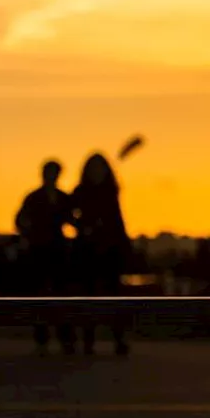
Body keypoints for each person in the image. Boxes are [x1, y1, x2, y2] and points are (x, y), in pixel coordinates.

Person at [70, 152, 132, 356]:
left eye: (100, 168)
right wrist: (83, 227)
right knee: (88, 296)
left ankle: (119, 339)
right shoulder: (80, 192)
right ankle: (88, 341)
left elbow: (117, 219)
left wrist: (124, 245)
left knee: (115, 297)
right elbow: (67, 213)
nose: (97, 172)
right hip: (88, 252)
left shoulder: (110, 191)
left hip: (110, 250)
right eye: (93, 168)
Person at [14, 159, 77, 355]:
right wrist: (29, 234)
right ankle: (42, 338)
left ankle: (65, 337)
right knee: (39, 295)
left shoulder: (62, 198)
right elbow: (19, 220)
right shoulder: (34, 198)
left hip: (57, 251)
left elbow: (72, 220)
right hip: (38, 251)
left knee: (61, 295)